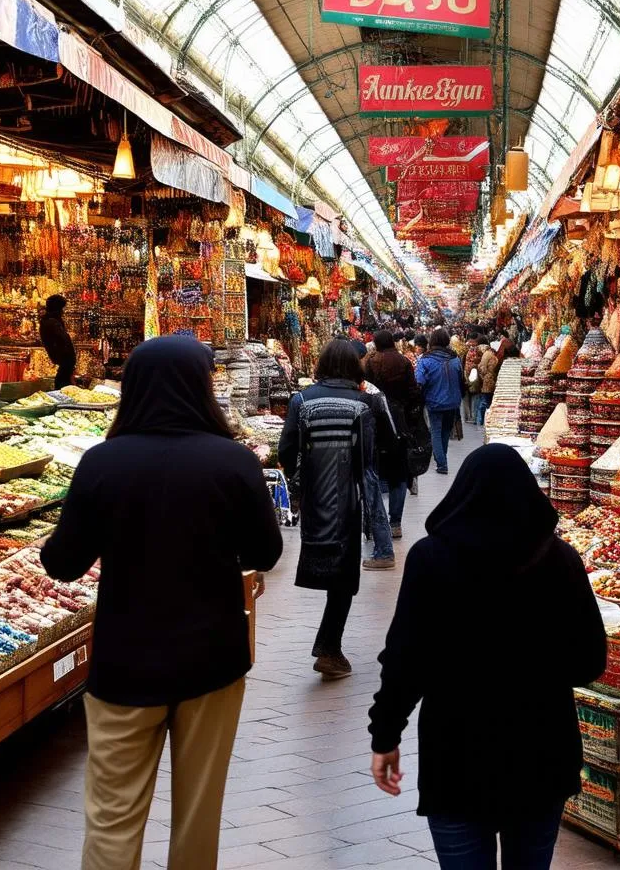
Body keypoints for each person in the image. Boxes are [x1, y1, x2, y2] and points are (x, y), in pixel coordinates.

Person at [40, 336, 282, 870]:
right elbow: (267, 550)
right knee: (198, 816)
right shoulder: (233, 462)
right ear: (202, 388)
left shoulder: (103, 463)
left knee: (111, 816)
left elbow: (62, 563)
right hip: (212, 660)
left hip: (125, 663)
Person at [368, 444, 607, 870]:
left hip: (456, 762)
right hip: (541, 759)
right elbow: (590, 662)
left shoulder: (430, 560)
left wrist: (385, 736)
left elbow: (405, 661)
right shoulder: (560, 561)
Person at [279, 339, 399, 677]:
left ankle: (328, 646)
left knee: (323, 558)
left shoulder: (300, 400)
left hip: (315, 498)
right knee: (344, 575)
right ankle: (330, 648)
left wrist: (301, 479)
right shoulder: (364, 403)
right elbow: (377, 450)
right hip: (349, 498)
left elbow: (287, 450)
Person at [364, 330, 418, 539]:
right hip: (398, 421)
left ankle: (375, 521)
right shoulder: (403, 362)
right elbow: (413, 392)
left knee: (373, 471)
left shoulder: (371, 362)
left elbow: (366, 391)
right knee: (399, 473)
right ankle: (395, 522)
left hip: (375, 421)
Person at [415, 329, 465, 476]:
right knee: (445, 431)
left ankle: (442, 463)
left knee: (436, 432)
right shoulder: (455, 359)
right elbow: (461, 379)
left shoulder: (425, 360)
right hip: (453, 402)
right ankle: (442, 459)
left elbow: (419, 381)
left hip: (434, 401)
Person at [39, 294, 77, 389]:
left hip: (63, 361)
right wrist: (70, 360)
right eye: (62, 308)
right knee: (63, 385)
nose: (63, 311)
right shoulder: (53, 323)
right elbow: (64, 342)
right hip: (64, 361)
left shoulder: (48, 321)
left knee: (62, 382)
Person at [475, 339, 500, 426]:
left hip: (488, 380)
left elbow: (482, 368)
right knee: (487, 400)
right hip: (491, 379)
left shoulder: (486, 354)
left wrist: (483, 376)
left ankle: (482, 420)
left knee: (485, 400)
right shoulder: (491, 354)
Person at [462, 334, 483, 424]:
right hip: (470, 375)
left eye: (472, 341)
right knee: (472, 395)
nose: (471, 343)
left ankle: (472, 417)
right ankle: (470, 417)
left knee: (472, 395)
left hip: (471, 375)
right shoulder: (470, 349)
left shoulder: (473, 350)